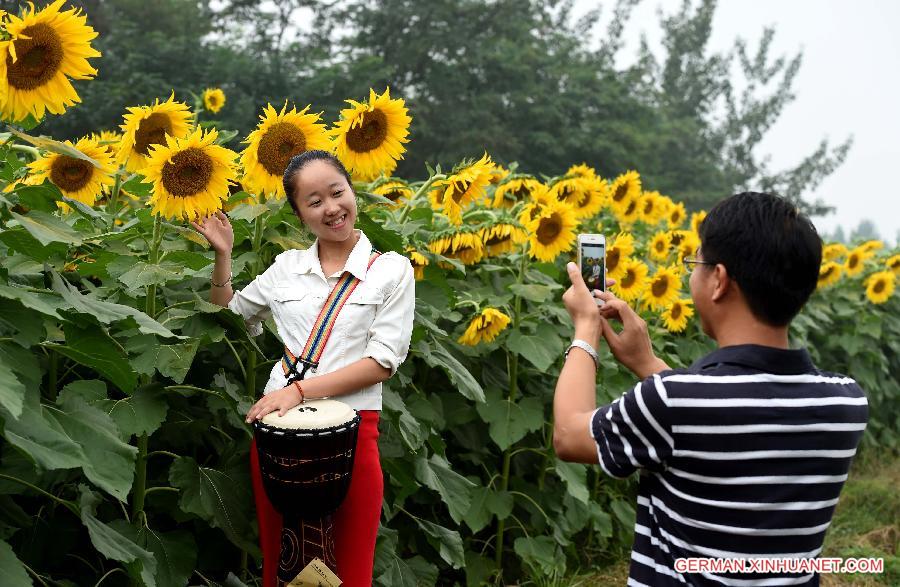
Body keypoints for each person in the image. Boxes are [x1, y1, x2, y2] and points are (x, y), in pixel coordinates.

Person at [553, 192, 868, 586]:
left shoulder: (672, 401)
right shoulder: (846, 402)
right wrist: (648, 364)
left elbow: (569, 434)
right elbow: (728, 411)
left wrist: (585, 328)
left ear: (718, 280)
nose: (690, 275)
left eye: (695, 264)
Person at [192, 150, 415, 587]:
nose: (331, 208)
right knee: (285, 569)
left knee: (348, 573)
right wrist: (223, 257)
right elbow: (232, 319)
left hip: (351, 434)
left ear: (352, 191)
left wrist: (297, 391)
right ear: (299, 214)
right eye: (314, 201)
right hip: (279, 437)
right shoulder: (286, 268)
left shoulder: (390, 271)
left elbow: (382, 362)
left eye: (337, 192)